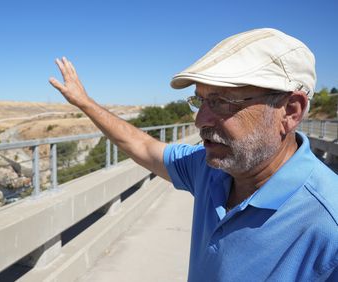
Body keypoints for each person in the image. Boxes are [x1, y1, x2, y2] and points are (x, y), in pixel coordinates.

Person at [49, 28, 337, 281]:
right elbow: (143, 147)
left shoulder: (328, 226)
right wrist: (85, 103)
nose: (200, 120)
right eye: (200, 101)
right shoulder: (209, 169)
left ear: (290, 111)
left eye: (221, 101)